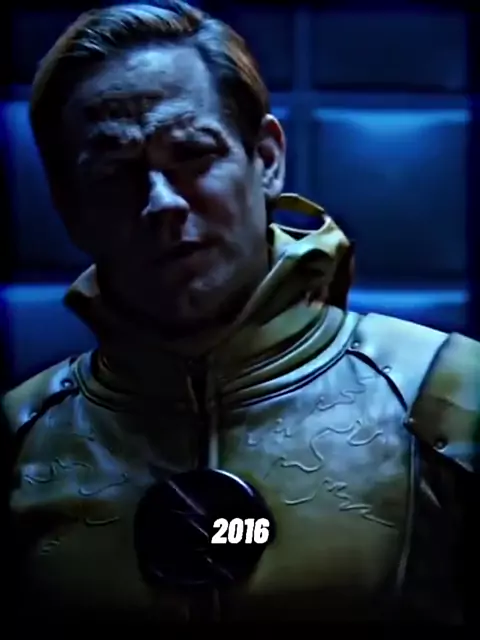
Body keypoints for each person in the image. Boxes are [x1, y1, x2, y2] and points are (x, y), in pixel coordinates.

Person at [2, 0, 478, 626]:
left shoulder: (449, 397)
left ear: (267, 158)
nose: (162, 203)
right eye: (115, 173)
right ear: (69, 207)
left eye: (194, 154)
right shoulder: (21, 440)